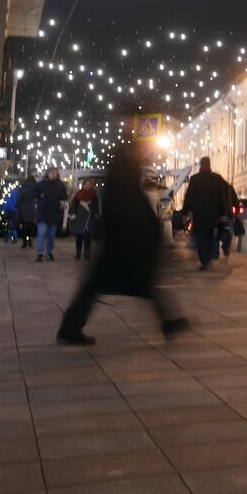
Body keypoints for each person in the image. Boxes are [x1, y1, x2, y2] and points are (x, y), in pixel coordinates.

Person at [58, 143, 187, 345]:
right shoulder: (124, 182)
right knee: (138, 285)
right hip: (122, 247)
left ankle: (168, 321)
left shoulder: (120, 179)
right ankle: (70, 327)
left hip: (119, 246)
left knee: (110, 286)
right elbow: (129, 212)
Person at [183, 157, 229, 271]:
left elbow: (188, 196)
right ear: (209, 165)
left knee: (201, 238)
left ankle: (204, 261)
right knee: (210, 236)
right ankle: (209, 257)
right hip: (214, 214)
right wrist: (223, 214)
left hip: (199, 214)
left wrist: (185, 211)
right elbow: (221, 198)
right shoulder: (217, 179)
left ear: (200, 165)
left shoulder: (195, 179)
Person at [34, 168, 68, 262]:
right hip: (42, 213)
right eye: (52, 173)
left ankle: (49, 252)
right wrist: (39, 195)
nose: (54, 175)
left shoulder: (60, 184)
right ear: (47, 173)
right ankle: (40, 253)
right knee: (41, 232)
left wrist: (62, 197)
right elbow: (33, 193)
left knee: (51, 235)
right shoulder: (41, 184)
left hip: (54, 213)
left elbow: (64, 195)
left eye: (55, 173)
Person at [68, 180, 102, 260]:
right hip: (79, 219)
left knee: (88, 237)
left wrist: (96, 215)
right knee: (79, 237)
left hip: (89, 219)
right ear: (83, 185)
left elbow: (96, 206)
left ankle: (87, 254)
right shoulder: (78, 195)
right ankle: (78, 254)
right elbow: (73, 206)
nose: (88, 185)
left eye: (90, 184)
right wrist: (73, 215)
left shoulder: (94, 195)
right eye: (86, 184)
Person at [16, 175, 38, 250]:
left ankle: (24, 243)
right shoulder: (35, 188)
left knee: (24, 227)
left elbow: (18, 199)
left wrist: (17, 206)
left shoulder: (22, 188)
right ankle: (30, 242)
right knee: (31, 227)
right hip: (32, 209)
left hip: (23, 209)